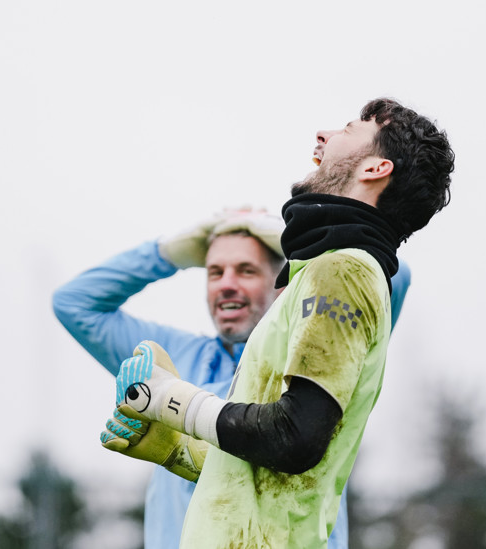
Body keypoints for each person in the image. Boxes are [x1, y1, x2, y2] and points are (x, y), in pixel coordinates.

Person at [103, 97, 454, 549]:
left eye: (349, 129)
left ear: (375, 169)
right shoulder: (328, 270)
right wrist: (175, 448)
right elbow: (273, 475)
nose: (323, 136)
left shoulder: (344, 271)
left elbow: (296, 439)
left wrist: (173, 401)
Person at [55, 209, 411, 548]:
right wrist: (170, 253)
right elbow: (74, 303)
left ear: (281, 283)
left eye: (246, 270)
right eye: (214, 271)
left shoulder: (320, 347)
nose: (226, 284)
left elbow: (393, 275)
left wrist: (292, 238)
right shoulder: (174, 355)